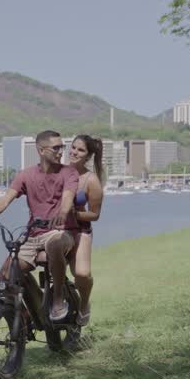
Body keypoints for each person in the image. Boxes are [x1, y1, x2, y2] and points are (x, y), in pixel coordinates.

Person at [0, 130, 79, 321]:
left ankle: (58, 298)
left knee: (54, 245)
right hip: (33, 234)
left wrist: (62, 214)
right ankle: (26, 317)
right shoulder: (26, 175)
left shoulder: (68, 172)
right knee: (4, 276)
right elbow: (6, 199)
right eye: (56, 147)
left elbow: (68, 198)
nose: (60, 151)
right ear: (41, 150)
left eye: (62, 147)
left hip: (60, 232)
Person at [69, 135, 105, 326]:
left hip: (80, 230)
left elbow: (94, 215)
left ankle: (84, 303)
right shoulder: (59, 172)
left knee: (82, 274)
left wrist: (73, 214)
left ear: (88, 156)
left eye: (80, 150)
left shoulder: (91, 180)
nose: (74, 152)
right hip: (56, 230)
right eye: (73, 147)